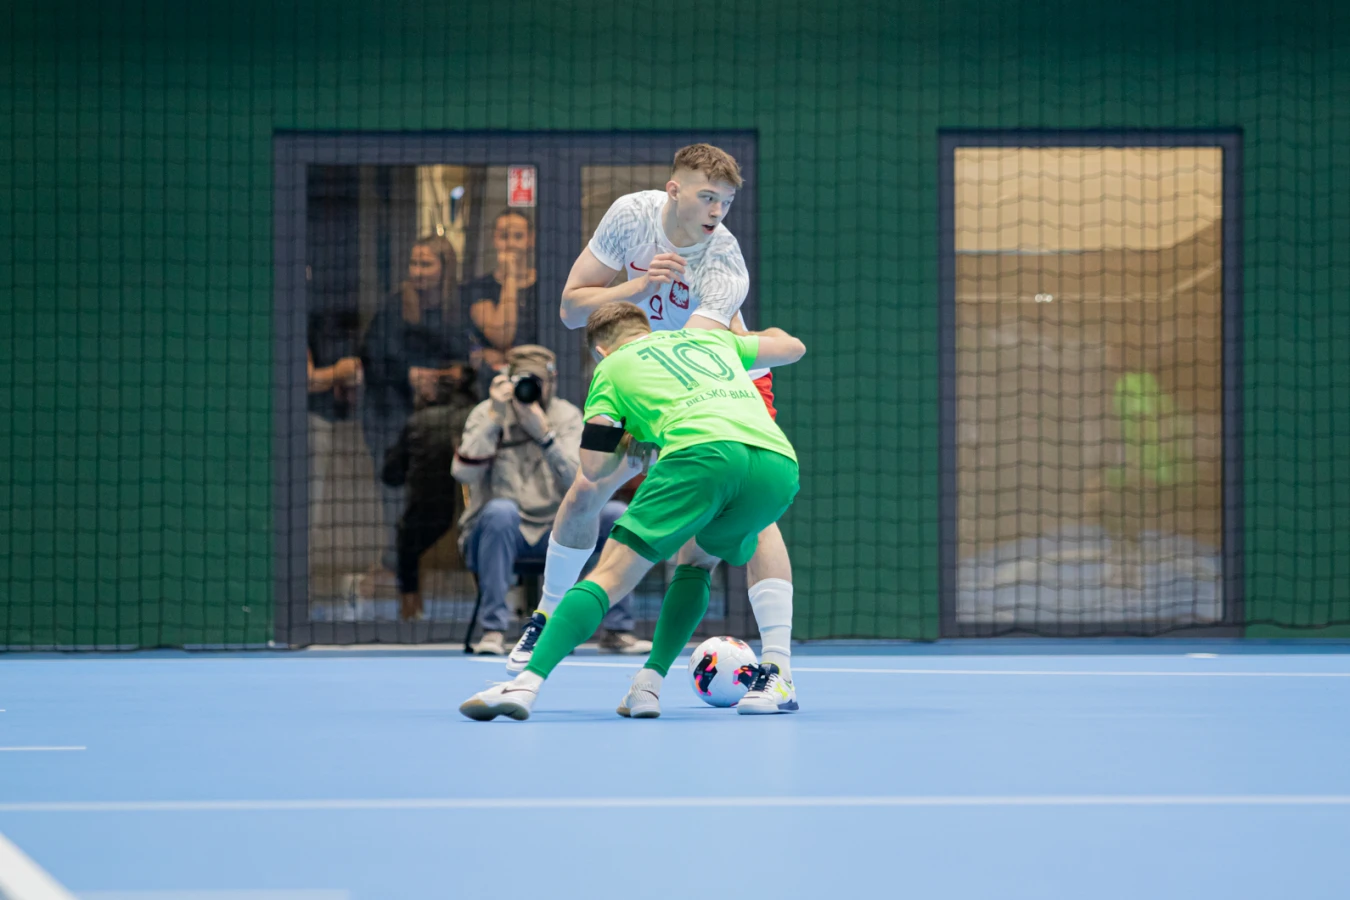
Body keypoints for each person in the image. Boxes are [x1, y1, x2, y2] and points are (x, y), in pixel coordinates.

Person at [505, 144, 796, 706]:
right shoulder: (630, 216)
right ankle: (546, 614)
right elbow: (571, 310)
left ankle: (779, 666)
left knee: (756, 517)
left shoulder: (723, 258)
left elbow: (698, 352)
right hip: (644, 375)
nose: (717, 211)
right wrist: (633, 290)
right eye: (708, 197)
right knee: (588, 486)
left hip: (710, 378)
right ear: (674, 190)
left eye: (726, 201)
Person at [459, 302, 805, 721]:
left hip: (702, 455)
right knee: (697, 561)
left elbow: (592, 468)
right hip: (777, 463)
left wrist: (628, 439)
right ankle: (649, 685)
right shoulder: (709, 340)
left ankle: (524, 684)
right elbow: (793, 349)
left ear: (600, 351)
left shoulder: (611, 368)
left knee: (608, 575)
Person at [451, 345, 650, 655]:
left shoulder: (567, 416)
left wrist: (545, 436)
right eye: (524, 380)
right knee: (500, 512)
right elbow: (462, 472)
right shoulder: (489, 411)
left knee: (614, 513)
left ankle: (617, 630)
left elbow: (584, 480)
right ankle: (493, 631)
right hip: (502, 531)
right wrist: (494, 419)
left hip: (559, 528)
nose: (532, 388)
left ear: (553, 381)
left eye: (538, 381)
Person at [359, 236, 473, 581]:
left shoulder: (460, 305)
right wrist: (409, 375)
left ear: (445, 269)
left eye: (426, 264)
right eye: (414, 264)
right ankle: (396, 564)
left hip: (441, 419)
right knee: (395, 488)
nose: (418, 271)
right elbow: (372, 356)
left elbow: (469, 356)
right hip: (390, 413)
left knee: (439, 493)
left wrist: (451, 374)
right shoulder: (395, 305)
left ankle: (440, 561)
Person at [380, 365, 479, 621]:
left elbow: (391, 475)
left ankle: (409, 610)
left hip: (429, 531)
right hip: (473, 529)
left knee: (406, 537)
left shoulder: (418, 422)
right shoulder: (478, 417)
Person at [461, 210, 539, 389]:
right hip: (492, 382)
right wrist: (510, 276)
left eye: (518, 236)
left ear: (531, 239)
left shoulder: (545, 287)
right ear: (494, 239)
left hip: (536, 377)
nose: (510, 243)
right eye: (504, 236)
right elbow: (501, 336)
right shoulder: (480, 288)